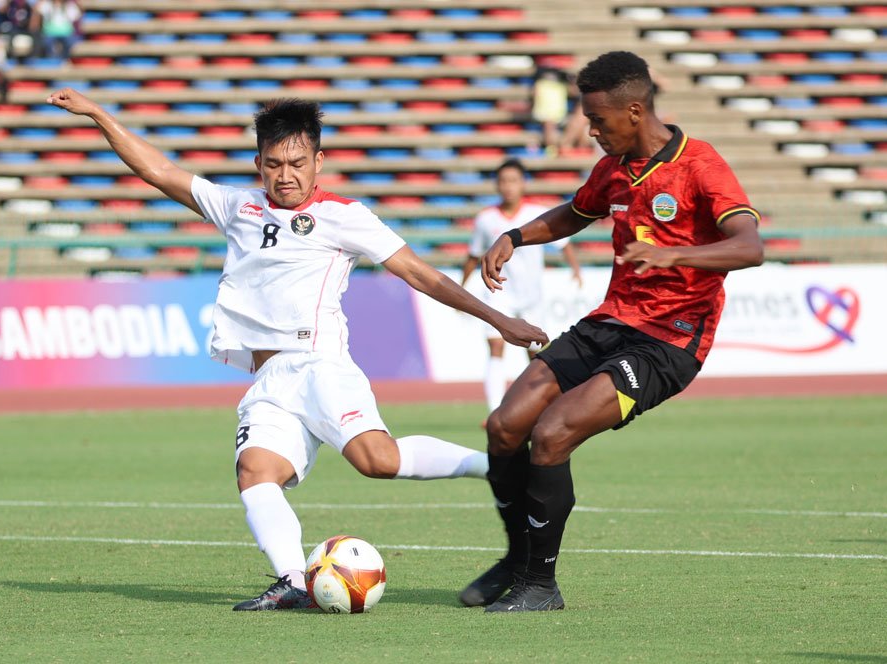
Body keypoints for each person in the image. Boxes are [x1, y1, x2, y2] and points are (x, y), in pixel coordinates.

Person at [45, 89, 549, 611]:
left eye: (297, 163)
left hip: (320, 364)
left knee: (378, 460)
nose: (286, 175)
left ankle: (492, 463)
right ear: (258, 163)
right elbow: (160, 172)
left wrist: (498, 319)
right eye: (274, 164)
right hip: (269, 378)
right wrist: (102, 114)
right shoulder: (237, 205)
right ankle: (291, 580)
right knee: (255, 473)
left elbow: (419, 273)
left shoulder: (345, 216)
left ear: (318, 162)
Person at [460, 51, 763, 612]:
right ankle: (517, 558)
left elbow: (750, 246)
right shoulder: (614, 166)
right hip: (610, 321)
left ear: (634, 110)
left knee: (552, 434)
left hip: (667, 343)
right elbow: (577, 212)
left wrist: (674, 256)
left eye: (598, 121)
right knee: (506, 425)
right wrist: (516, 236)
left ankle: (540, 585)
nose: (591, 130)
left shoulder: (701, 166)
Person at [461, 158, 582, 414]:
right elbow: (474, 255)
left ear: (522, 183)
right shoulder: (486, 218)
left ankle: (534, 408)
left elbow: (564, 243)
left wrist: (575, 270)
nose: (508, 186)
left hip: (531, 296)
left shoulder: (534, 215)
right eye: (503, 181)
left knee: (535, 352)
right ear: (497, 185)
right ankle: (494, 410)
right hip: (498, 292)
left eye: (513, 181)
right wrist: (462, 284)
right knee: (495, 347)